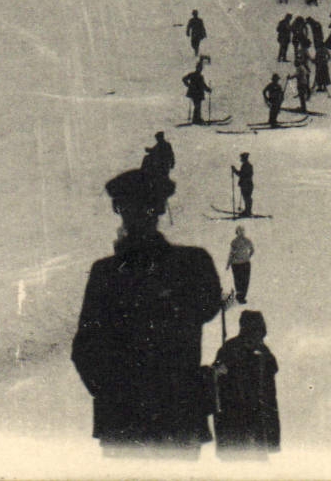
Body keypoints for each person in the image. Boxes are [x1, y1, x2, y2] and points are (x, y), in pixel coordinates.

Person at [72, 168, 222, 455]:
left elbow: (84, 349)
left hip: (132, 420)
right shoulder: (192, 263)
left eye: (144, 208)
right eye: (133, 209)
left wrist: (114, 394)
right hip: (172, 416)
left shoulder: (108, 272)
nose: (139, 216)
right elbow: (84, 347)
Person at [212, 310, 280, 456]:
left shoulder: (263, 353)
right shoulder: (231, 350)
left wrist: (273, 438)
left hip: (255, 423)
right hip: (235, 419)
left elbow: (270, 396)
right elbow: (217, 379)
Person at [226, 227, 255, 304]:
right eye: (240, 231)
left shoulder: (237, 241)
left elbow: (231, 254)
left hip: (239, 264)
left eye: (242, 231)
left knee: (240, 280)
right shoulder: (243, 241)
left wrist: (228, 264)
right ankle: (241, 296)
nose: (241, 233)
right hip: (241, 263)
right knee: (242, 280)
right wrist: (247, 256)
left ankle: (240, 296)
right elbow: (252, 250)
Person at [182, 57, 212, 124]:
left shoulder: (199, 76)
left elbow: (203, 85)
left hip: (197, 93)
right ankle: (196, 119)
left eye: (201, 68)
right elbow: (184, 79)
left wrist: (208, 89)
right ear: (197, 68)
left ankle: (197, 118)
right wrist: (189, 85)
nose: (200, 69)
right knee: (197, 106)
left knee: (198, 106)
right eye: (199, 68)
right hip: (195, 93)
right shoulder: (193, 75)